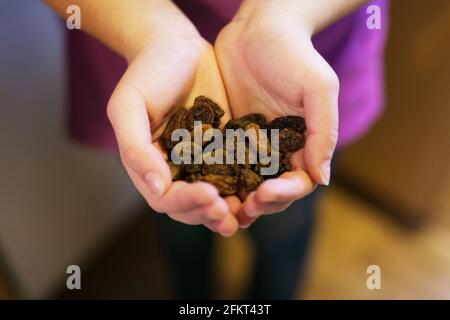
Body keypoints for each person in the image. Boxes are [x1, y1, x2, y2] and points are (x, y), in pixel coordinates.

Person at [44, 0, 388, 298]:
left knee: (284, 230)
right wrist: (153, 32)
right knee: (182, 224)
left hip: (304, 52)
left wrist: (283, 15)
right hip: (140, 46)